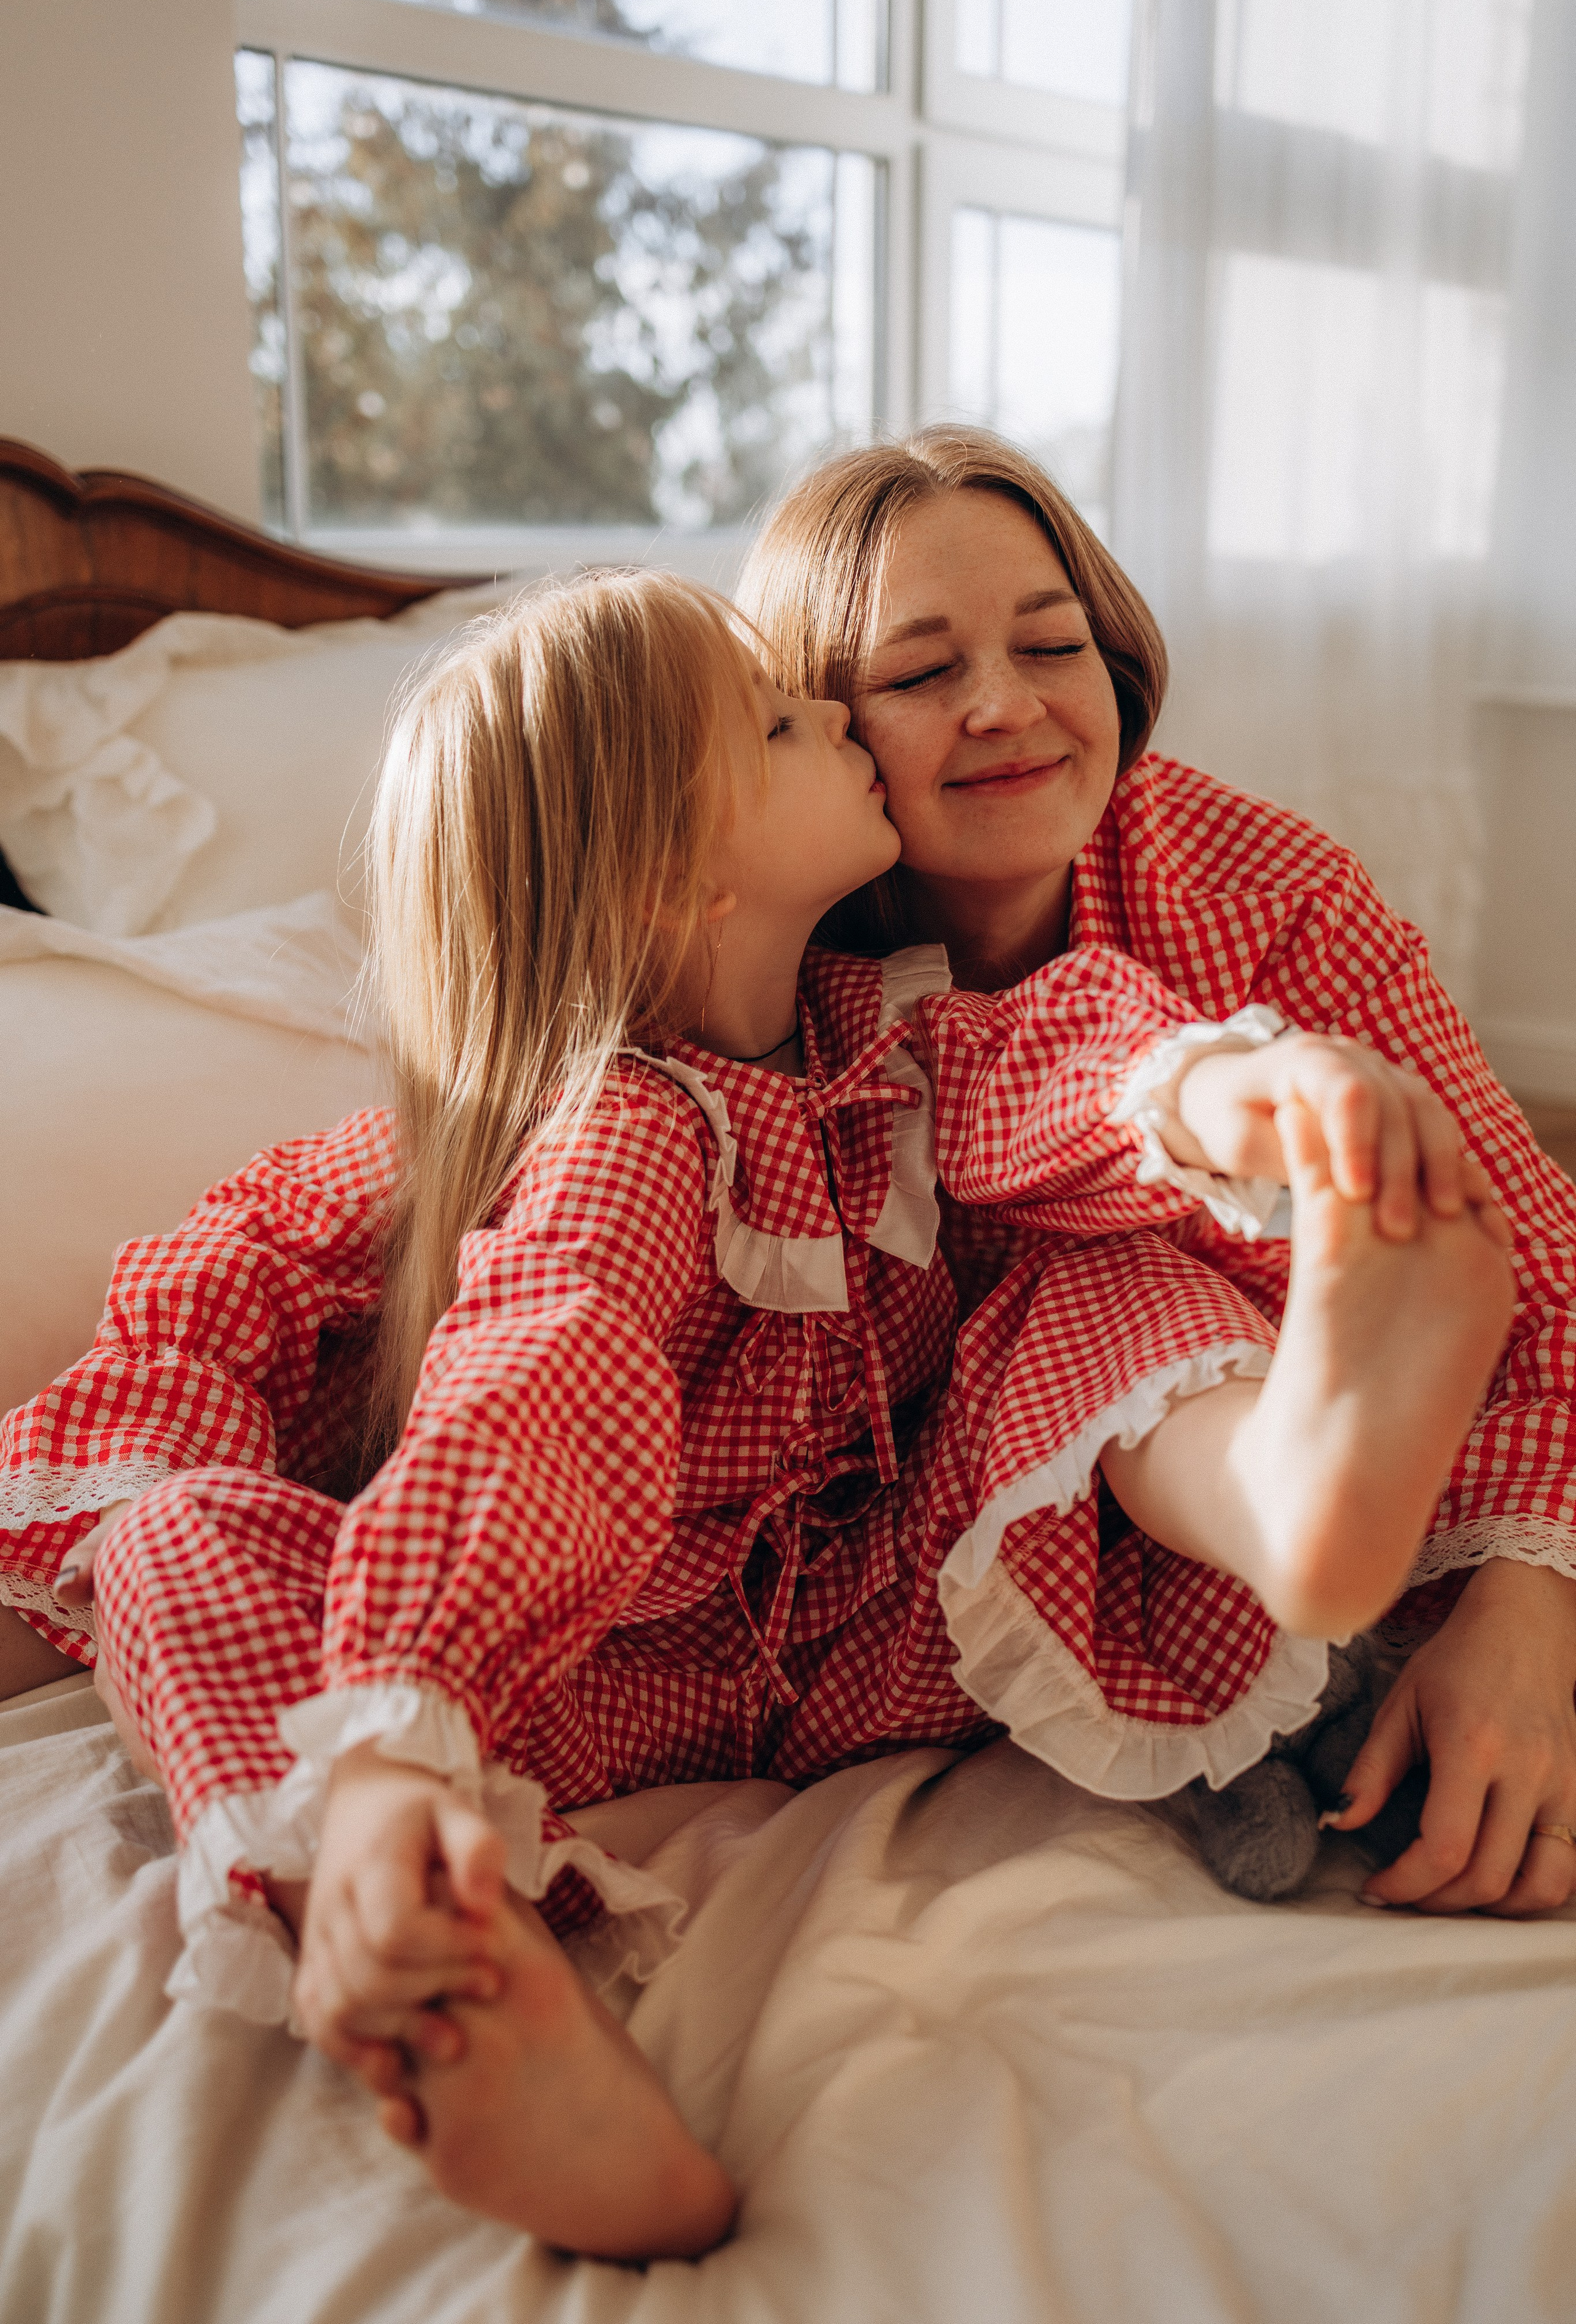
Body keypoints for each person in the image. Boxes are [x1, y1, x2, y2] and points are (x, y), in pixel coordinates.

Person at [0, 571, 1510, 2259]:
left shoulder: (892, 1046)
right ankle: (437, 1926)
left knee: (1085, 1282)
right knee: (181, 1541)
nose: (852, 726)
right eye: (790, 722)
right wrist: (406, 1720)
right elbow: (539, 1390)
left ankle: (1300, 1503)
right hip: (580, 1678)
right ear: (675, 861)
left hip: (876, 1626)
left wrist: (1238, 1093)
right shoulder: (617, 1138)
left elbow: (1057, 1075)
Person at [736, 424, 1576, 1922]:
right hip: (923, 1548)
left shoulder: (1264, 889)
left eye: (1049, 644)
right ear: (814, 720)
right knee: (1096, 1275)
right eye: (921, 674)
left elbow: (1534, 1264)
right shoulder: (762, 955)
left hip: (1309, 1466)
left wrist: (1525, 1609)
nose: (1004, 706)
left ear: (1112, 658)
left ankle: (1313, 1553)